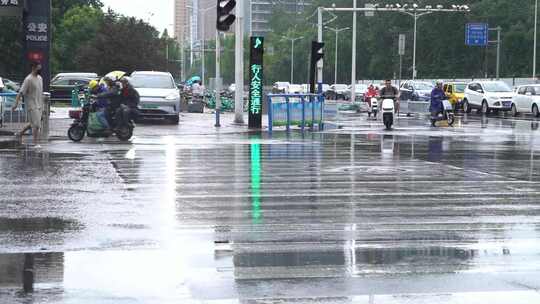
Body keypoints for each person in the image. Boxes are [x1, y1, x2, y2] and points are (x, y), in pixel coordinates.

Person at [12, 62, 44, 147]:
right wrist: (15, 104)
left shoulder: (40, 78)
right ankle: (36, 143)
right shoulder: (28, 79)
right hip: (32, 105)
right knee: (36, 124)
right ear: (33, 68)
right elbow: (20, 92)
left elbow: (40, 92)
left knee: (33, 123)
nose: (40, 69)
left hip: (39, 104)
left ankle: (20, 133)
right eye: (38, 68)